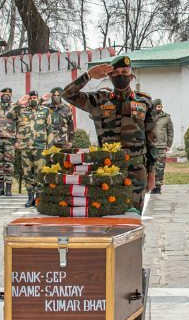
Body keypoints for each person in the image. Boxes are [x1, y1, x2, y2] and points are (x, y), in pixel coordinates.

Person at [62, 56, 160, 211]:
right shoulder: (98, 100)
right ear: (109, 76)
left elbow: (152, 140)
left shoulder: (145, 102)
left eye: (124, 72)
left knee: (134, 216)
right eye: (116, 73)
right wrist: (88, 75)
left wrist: (152, 174)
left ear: (131, 76)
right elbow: (67, 94)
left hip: (136, 170)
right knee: (108, 215)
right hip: (107, 169)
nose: (120, 75)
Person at [11, 90, 51, 208]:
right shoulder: (21, 111)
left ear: (37, 98)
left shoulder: (45, 110)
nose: (33, 99)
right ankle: (30, 198)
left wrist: (49, 146)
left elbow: (49, 129)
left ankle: (38, 198)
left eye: (35, 97)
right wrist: (18, 103)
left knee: (39, 173)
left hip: (40, 147)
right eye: (31, 98)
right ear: (28, 100)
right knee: (27, 173)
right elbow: (8, 116)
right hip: (25, 147)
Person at [0, 87, 19, 196]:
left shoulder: (15, 107)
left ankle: (8, 189)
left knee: (9, 164)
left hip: (10, 139)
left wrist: (17, 140)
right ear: (1, 94)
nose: (6, 95)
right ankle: (0, 188)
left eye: (9, 93)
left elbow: (19, 123)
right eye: (4, 93)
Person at [151, 98, 174, 193]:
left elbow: (170, 132)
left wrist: (168, 144)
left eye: (160, 106)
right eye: (157, 106)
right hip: (151, 146)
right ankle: (152, 186)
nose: (159, 108)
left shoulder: (166, 118)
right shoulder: (150, 117)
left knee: (160, 167)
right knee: (151, 167)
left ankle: (158, 187)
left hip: (161, 146)